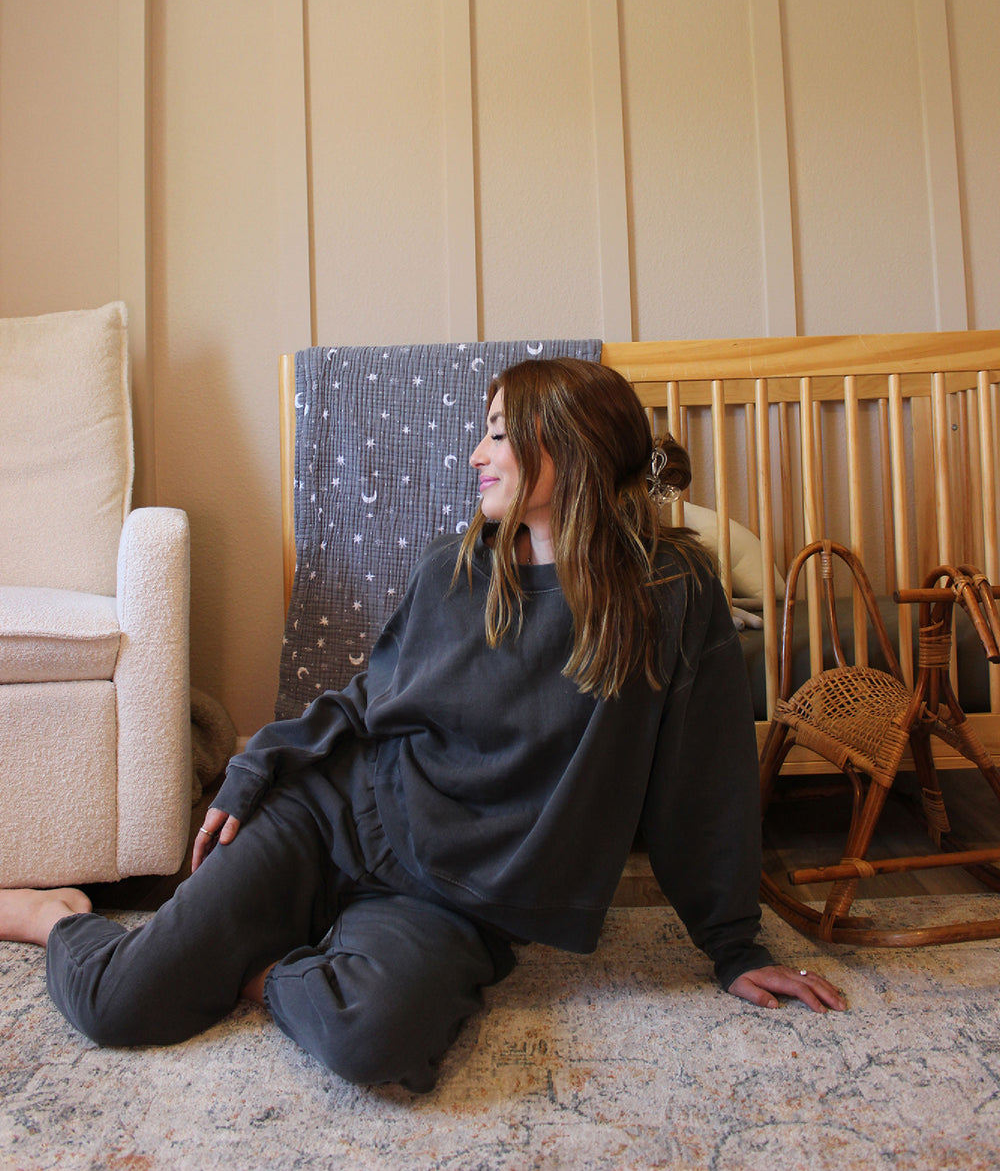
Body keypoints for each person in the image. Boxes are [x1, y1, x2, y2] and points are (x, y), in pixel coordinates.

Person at [0, 357, 844, 1091]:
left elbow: (707, 782)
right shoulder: (455, 567)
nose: (476, 454)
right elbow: (368, 700)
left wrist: (733, 946)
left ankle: (272, 973)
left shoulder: (673, 594)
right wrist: (259, 766)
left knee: (374, 1038)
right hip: (331, 817)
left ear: (574, 444)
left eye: (499, 435)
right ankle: (53, 915)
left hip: (452, 902)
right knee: (120, 1006)